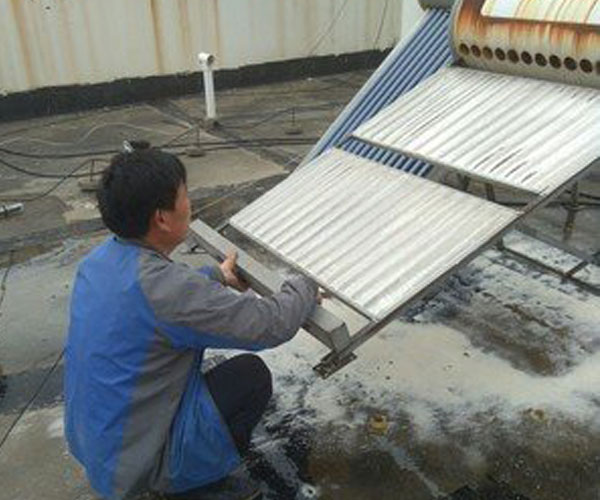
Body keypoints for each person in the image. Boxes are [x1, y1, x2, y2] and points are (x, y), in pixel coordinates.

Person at [64, 146, 318, 500]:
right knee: (249, 375)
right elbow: (269, 324)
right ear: (162, 219)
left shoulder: (99, 262)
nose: (190, 203)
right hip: (138, 470)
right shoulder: (168, 291)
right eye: (185, 196)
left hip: (99, 447)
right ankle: (198, 485)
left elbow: (164, 295)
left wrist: (216, 275)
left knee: (200, 368)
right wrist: (306, 285)